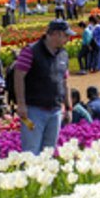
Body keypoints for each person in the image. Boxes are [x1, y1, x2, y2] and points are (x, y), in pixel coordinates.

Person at [12, 19, 71, 153]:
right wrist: (21, 104)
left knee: (49, 151)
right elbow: (19, 75)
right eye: (66, 35)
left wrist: (68, 107)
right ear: (55, 34)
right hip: (34, 110)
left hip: (55, 110)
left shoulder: (63, 54)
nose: (68, 39)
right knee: (32, 151)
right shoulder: (31, 51)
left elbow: (65, 81)